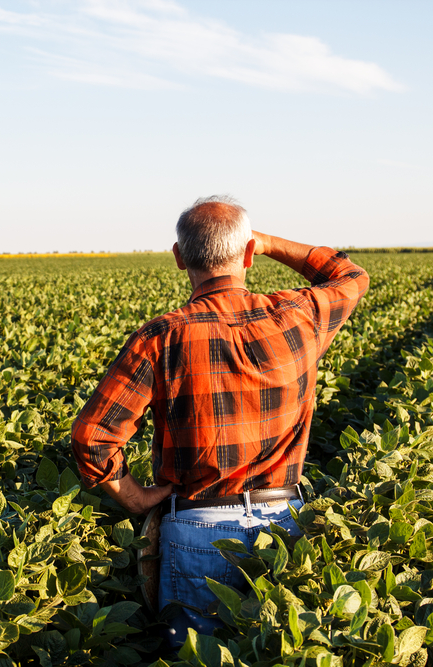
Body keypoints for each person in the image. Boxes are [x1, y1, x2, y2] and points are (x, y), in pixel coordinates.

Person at [70, 195, 369, 645]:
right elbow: (350, 276)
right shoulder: (298, 316)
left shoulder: (161, 336)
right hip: (284, 528)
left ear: (178, 258)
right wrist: (267, 242)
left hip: (195, 529)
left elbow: (93, 437)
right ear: (249, 254)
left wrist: (134, 499)